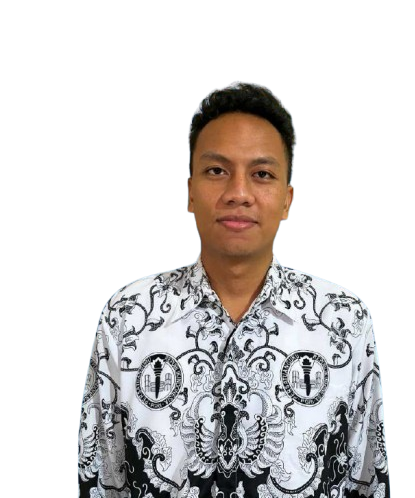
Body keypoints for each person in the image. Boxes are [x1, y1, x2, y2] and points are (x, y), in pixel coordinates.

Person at [78, 81, 389, 497]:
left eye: (261, 174)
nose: (238, 193)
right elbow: (101, 479)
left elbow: (368, 480)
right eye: (217, 171)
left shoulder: (344, 320)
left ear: (287, 200)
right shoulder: (128, 317)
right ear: (190, 192)